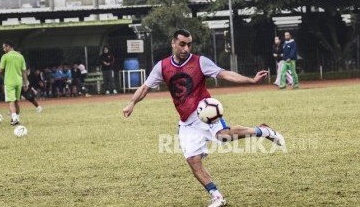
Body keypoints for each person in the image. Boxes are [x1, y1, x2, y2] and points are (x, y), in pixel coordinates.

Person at [122, 29, 285, 207]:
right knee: (193, 160)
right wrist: (132, 103)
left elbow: (224, 74)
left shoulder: (200, 62)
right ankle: (216, 196)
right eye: (182, 44)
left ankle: (264, 131)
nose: (186, 48)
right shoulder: (162, 67)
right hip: (186, 121)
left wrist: (250, 80)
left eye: (189, 44)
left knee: (224, 135)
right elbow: (145, 87)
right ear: (173, 43)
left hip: (205, 110)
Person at [0, 41, 28, 125]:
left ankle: (14, 118)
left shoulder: (5, 56)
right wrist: (25, 83)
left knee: (11, 101)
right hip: (19, 82)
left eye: (4, 47)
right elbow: (24, 71)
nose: (3, 49)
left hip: (9, 82)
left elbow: (0, 70)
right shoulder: (20, 56)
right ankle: (17, 118)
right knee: (16, 101)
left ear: (8, 47)